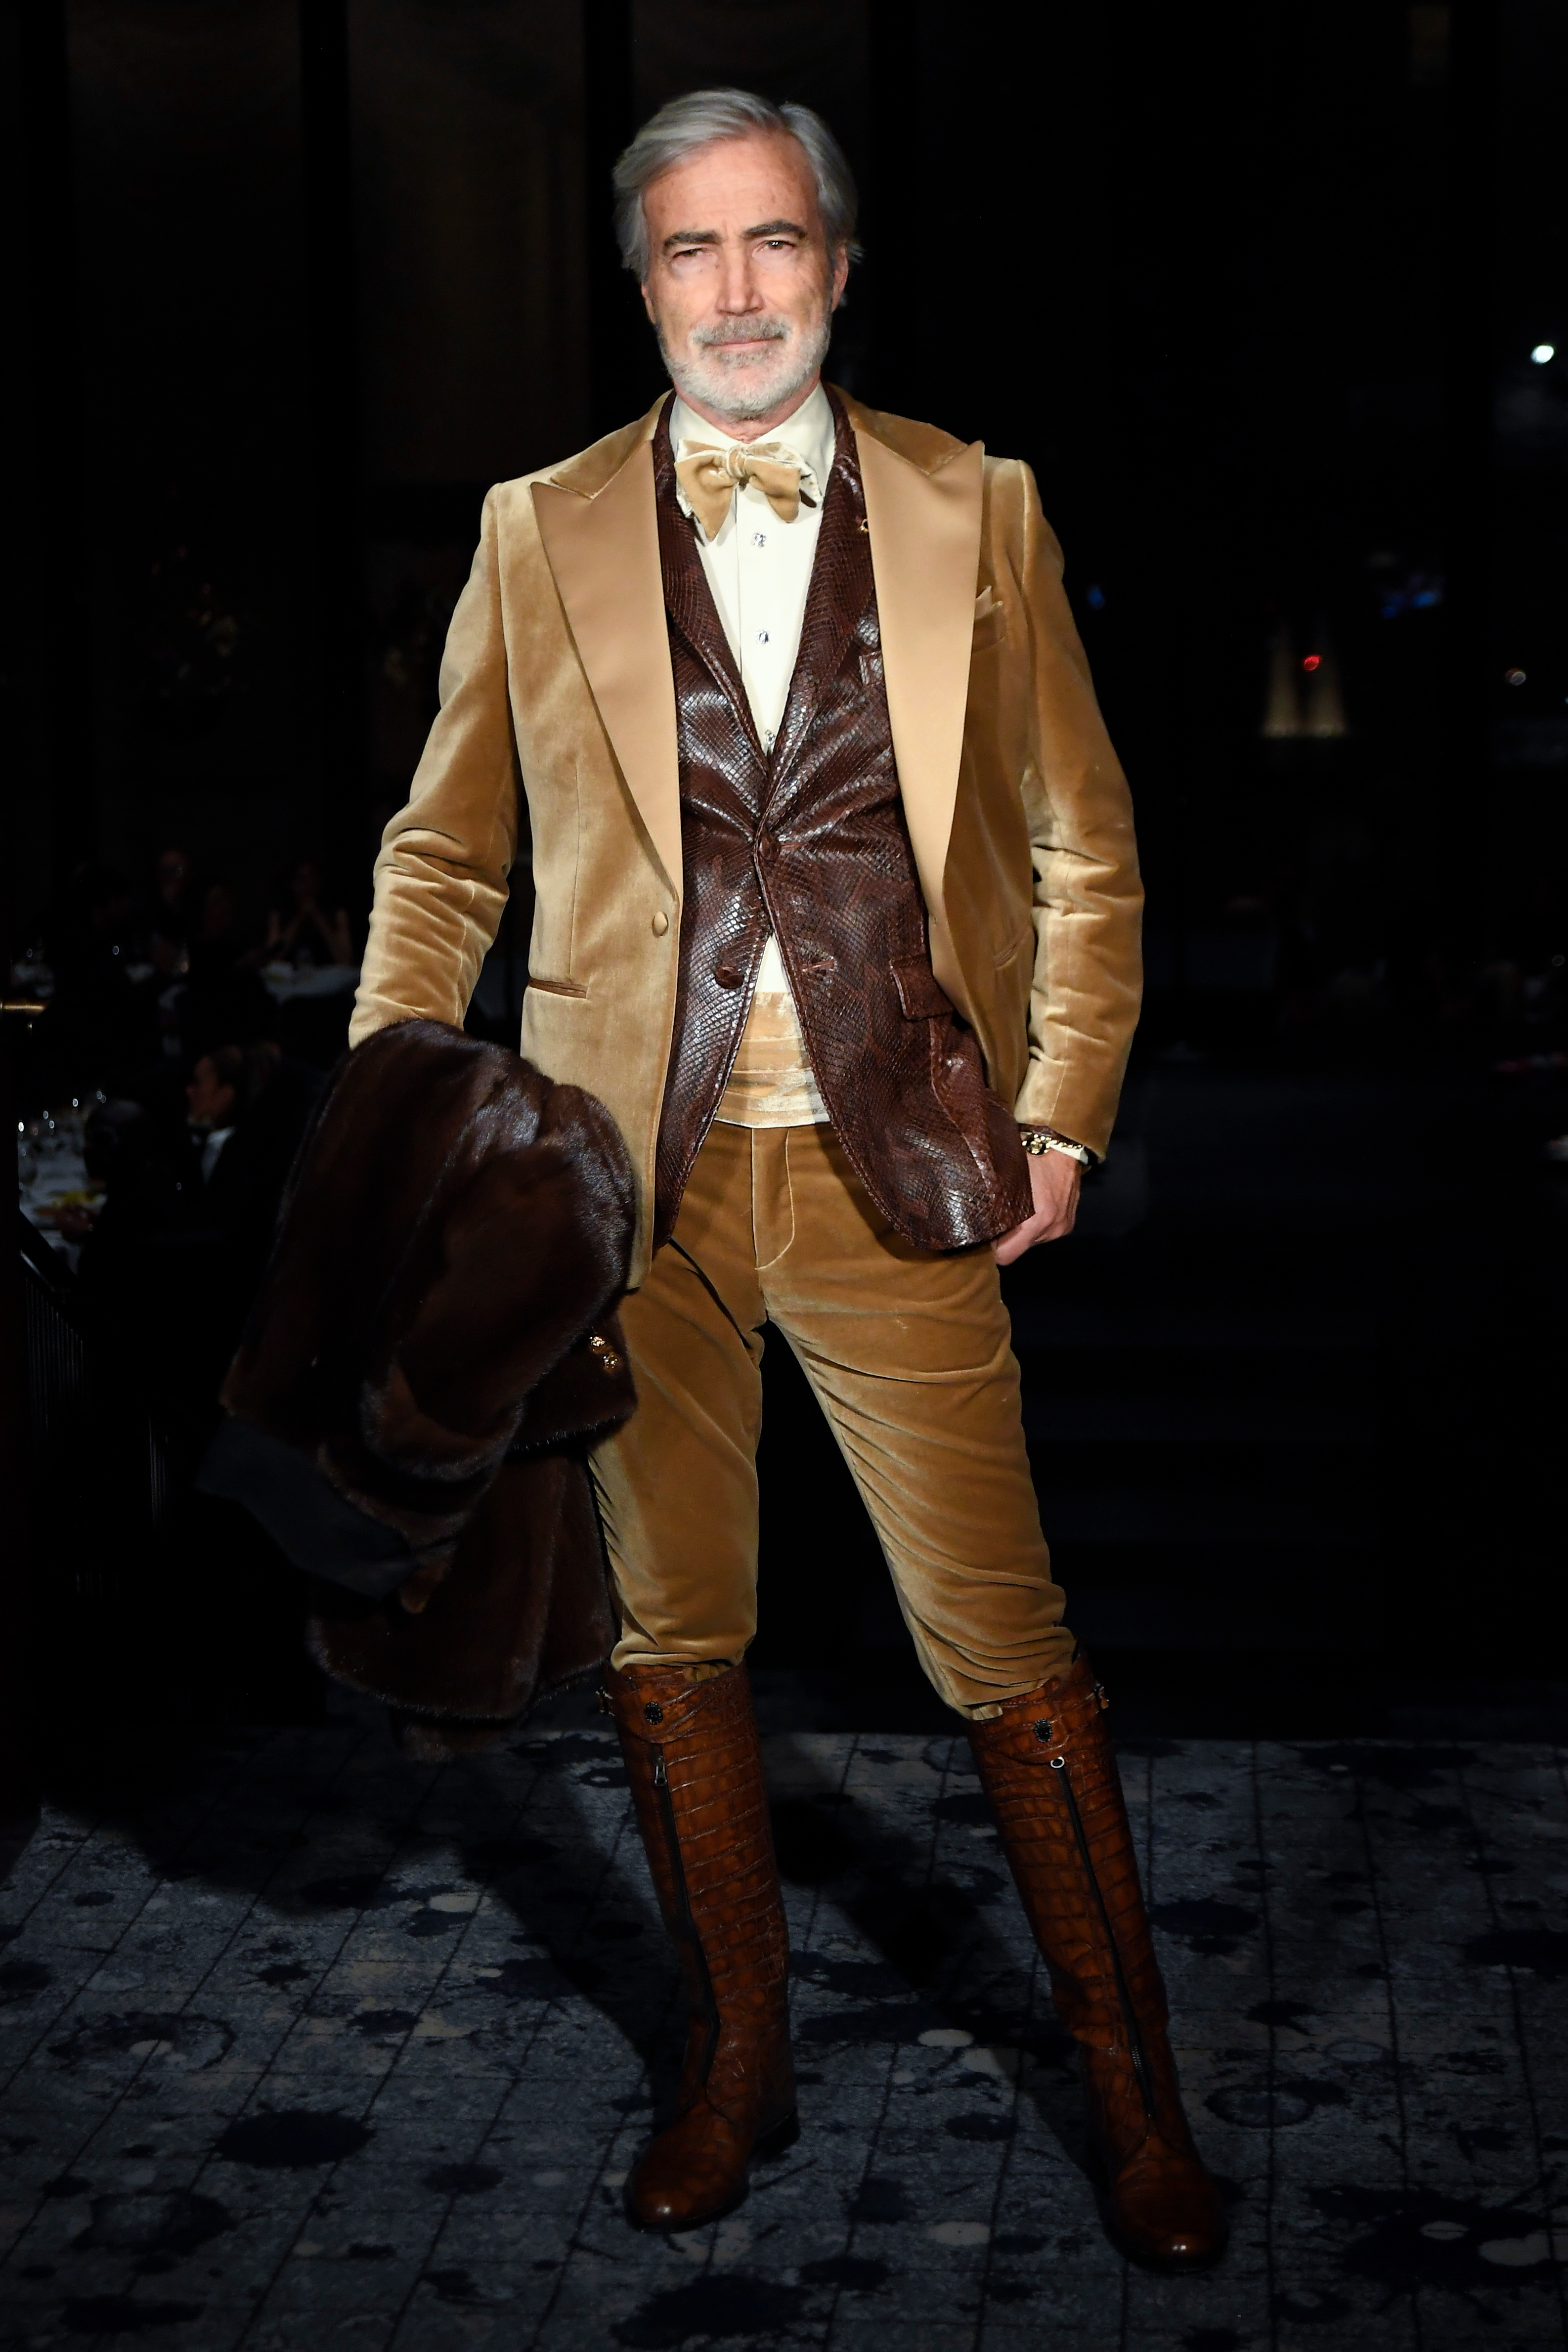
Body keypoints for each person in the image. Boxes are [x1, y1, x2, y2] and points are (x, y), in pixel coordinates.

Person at [349, 89, 1222, 2268]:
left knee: (1005, 1646)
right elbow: (445, 859)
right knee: (673, 1643)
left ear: (833, 262)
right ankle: (735, 2068)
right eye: (688, 249)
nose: (733, 291)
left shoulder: (974, 504)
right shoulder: (535, 526)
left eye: (770, 244)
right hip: (624, 1194)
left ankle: (1136, 2099)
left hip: (895, 1161)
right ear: (641, 281)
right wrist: (393, 1121)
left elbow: (1085, 840)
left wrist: (1063, 1109)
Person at [264, 856, 354, 969]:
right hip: (290, 975)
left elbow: (345, 961)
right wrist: (299, 918)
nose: (308, 885)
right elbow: (272, 958)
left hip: (328, 975)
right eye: (302, 879)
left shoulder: (337, 914)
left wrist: (318, 917)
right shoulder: (279, 915)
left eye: (312, 878)